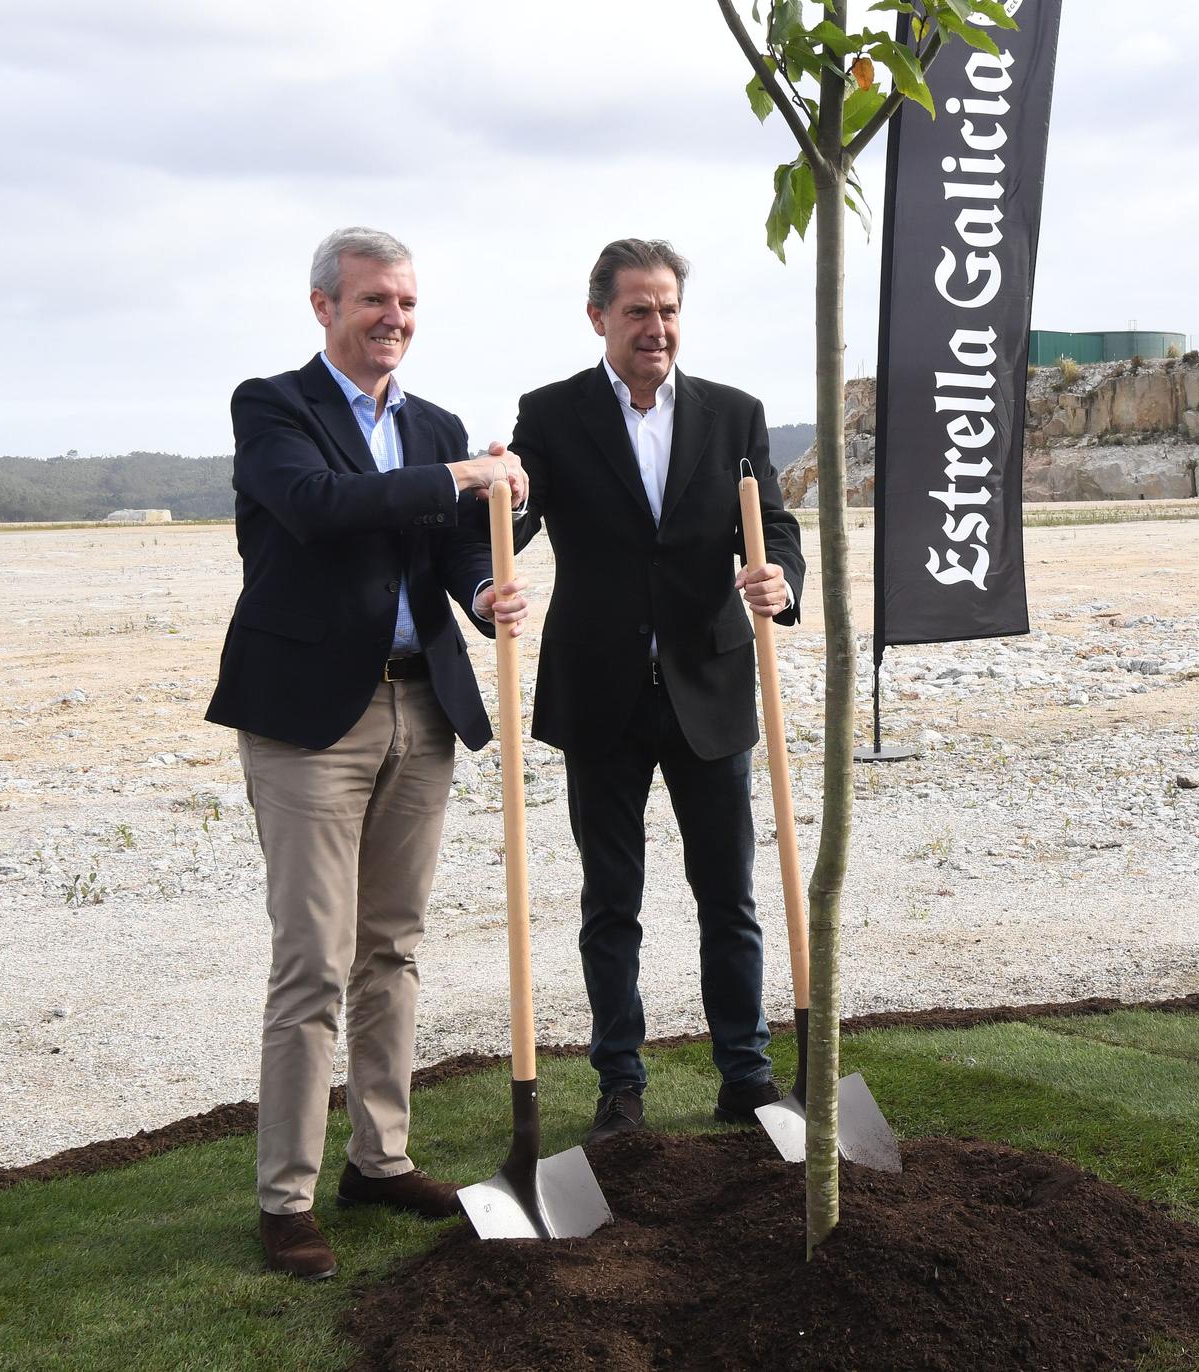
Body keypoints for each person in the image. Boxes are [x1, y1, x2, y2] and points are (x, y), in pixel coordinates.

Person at [206, 226, 529, 1280]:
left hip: (419, 712)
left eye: (404, 303)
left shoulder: (431, 423)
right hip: (308, 721)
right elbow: (315, 508)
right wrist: (462, 473)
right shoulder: (274, 407)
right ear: (323, 307)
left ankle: (380, 1160)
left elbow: (446, 555)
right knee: (311, 960)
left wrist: (486, 589)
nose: (392, 318)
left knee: (391, 948)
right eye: (372, 301)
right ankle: (283, 1198)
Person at [509, 238, 804, 1145]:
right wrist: (487, 554)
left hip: (709, 686)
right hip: (599, 692)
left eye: (668, 309)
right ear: (599, 317)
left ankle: (746, 1079)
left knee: (731, 895)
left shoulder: (733, 415)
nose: (656, 327)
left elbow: (777, 531)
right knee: (612, 902)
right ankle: (620, 1091)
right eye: (637, 310)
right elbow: (509, 527)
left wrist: (780, 579)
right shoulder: (550, 416)